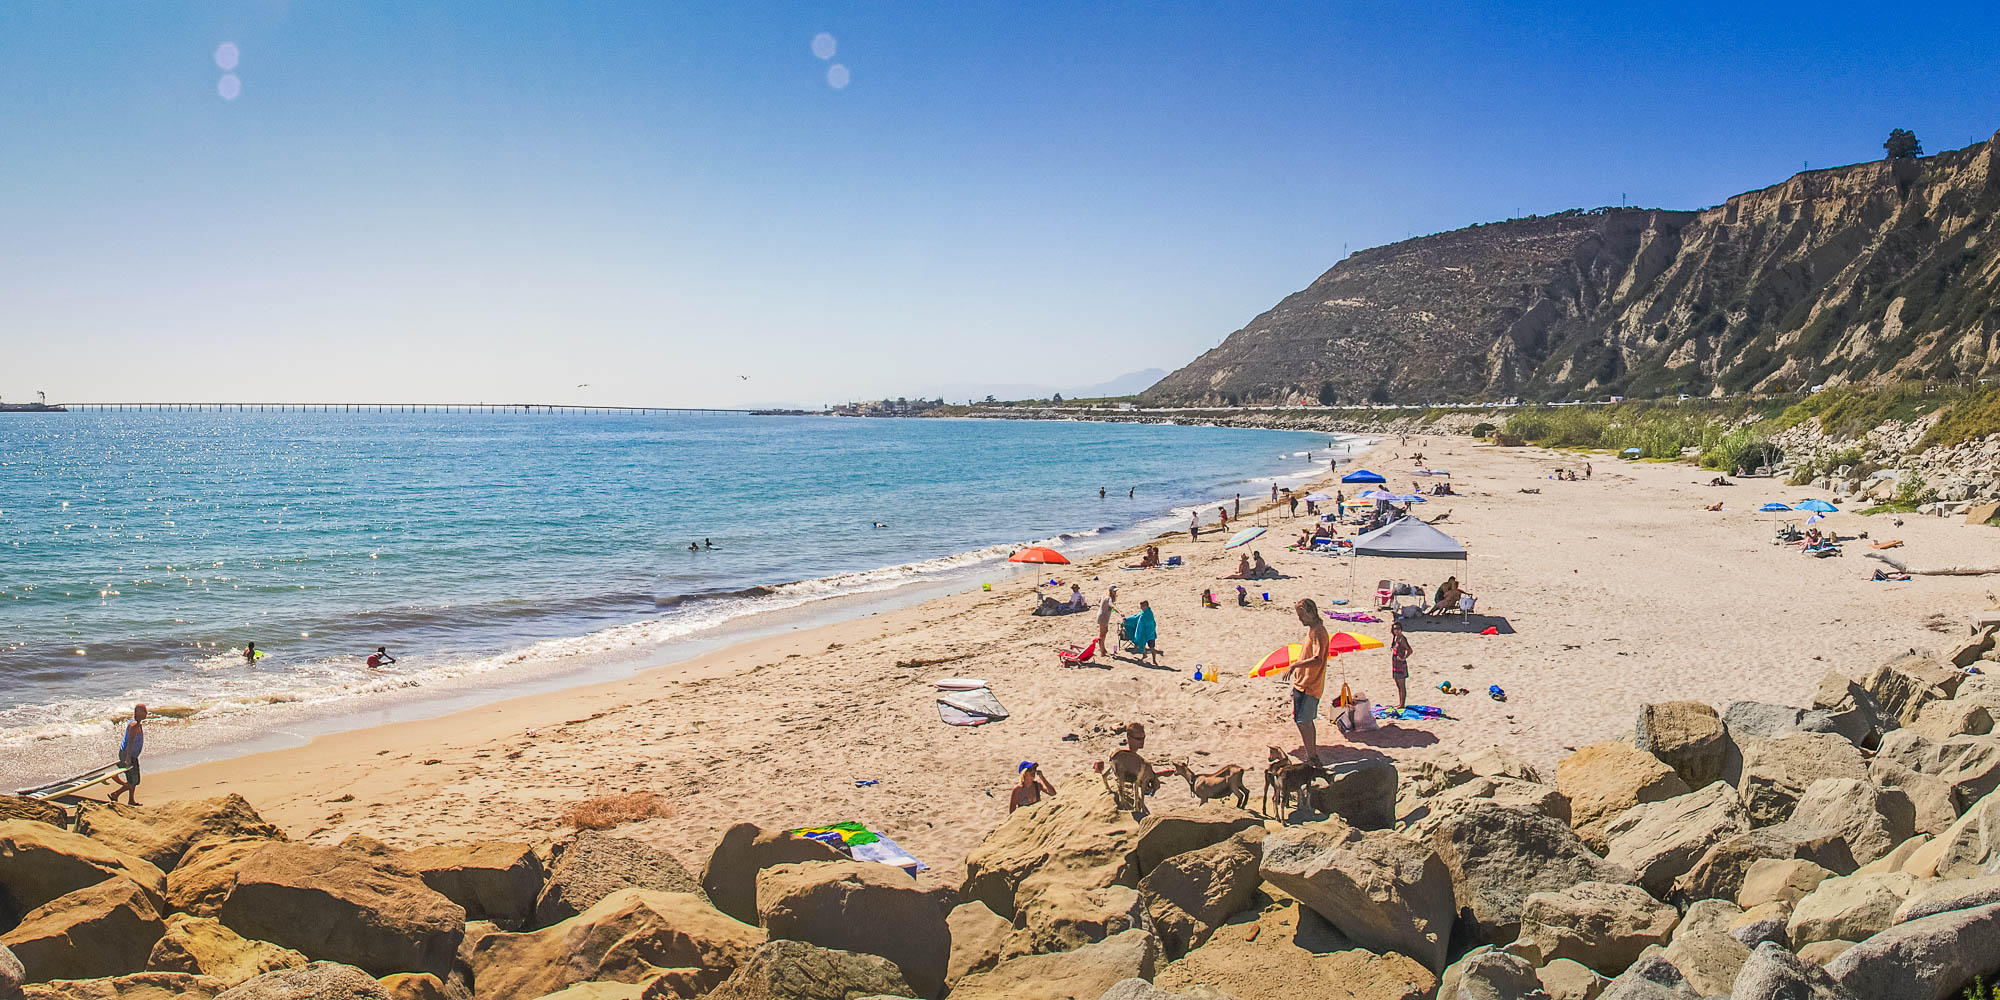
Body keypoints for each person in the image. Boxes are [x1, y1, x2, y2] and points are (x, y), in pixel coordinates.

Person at [1288, 599, 1329, 762]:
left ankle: (1312, 756)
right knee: (1300, 720)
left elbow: (1318, 659)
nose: (1300, 619)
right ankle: (1310, 753)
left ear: (1310, 612)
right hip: (1302, 683)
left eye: (1302, 615)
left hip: (1310, 686)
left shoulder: (1319, 632)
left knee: (1305, 721)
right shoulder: (1312, 629)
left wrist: (1295, 665)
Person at [109, 704, 146, 805]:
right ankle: (115, 794)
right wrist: (128, 758)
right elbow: (129, 742)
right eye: (144, 711)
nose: (146, 713)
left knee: (133, 780)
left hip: (131, 755)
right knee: (133, 780)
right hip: (128, 755)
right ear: (138, 712)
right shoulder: (134, 725)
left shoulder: (136, 723)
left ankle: (131, 800)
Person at [1126, 600, 1161, 665]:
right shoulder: (1142, 613)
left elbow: (1151, 623)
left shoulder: (1149, 613)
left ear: (1147, 606)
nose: (1141, 607)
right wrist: (1126, 620)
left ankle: (1154, 660)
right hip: (1143, 632)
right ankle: (1144, 655)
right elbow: (1135, 617)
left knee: (1152, 648)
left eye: (1143, 606)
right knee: (1142, 644)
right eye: (1141, 606)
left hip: (1150, 633)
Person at [1389, 620, 1412, 710]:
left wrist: (1404, 658)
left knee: (1402, 685)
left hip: (1400, 664)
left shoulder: (1402, 639)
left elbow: (1409, 650)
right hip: (1395, 664)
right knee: (1398, 685)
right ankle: (1400, 703)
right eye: (1395, 629)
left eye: (1398, 628)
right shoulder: (1395, 638)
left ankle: (1402, 704)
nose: (1396, 630)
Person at [1096, 584, 1118, 654]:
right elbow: (1112, 605)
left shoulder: (1104, 596)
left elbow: (1099, 601)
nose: (1115, 592)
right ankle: (1102, 650)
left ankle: (1103, 648)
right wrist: (1119, 612)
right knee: (1102, 634)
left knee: (1104, 632)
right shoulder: (1109, 598)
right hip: (1103, 618)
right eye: (1114, 591)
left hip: (1103, 617)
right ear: (1111, 591)